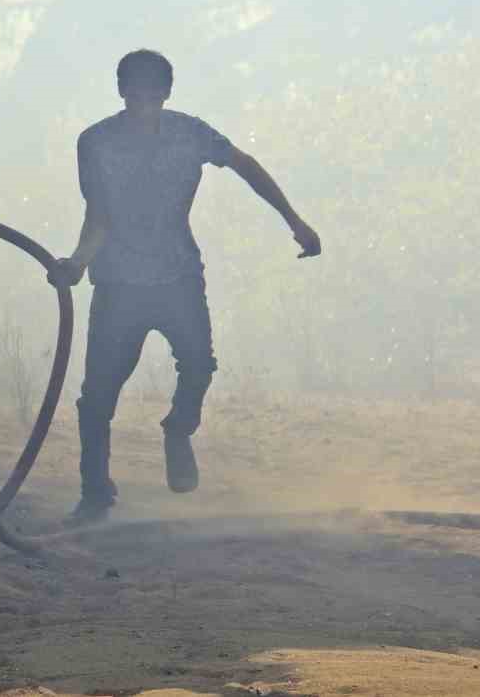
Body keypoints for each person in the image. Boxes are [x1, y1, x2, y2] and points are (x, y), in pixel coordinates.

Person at [48, 50, 322, 523]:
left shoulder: (190, 133)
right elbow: (99, 216)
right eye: (135, 90)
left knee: (198, 364)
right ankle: (95, 493)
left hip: (178, 276)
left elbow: (244, 164)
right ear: (121, 92)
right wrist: (76, 262)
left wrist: (294, 220)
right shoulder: (95, 142)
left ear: (167, 93)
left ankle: (178, 429)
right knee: (98, 396)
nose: (144, 100)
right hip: (118, 284)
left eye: (153, 91)